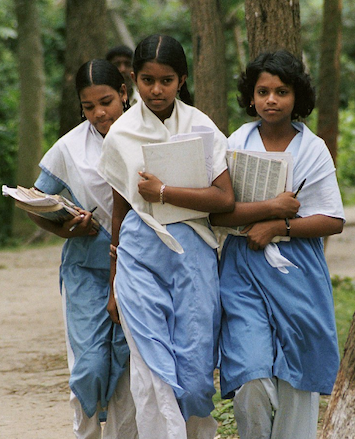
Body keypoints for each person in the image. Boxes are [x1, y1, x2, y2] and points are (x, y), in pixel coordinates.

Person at [97, 34, 235, 439]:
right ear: (133, 81)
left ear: (182, 80)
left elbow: (224, 198)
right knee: (151, 372)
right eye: (147, 80)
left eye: (167, 80)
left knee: (194, 380)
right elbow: (120, 208)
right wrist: (112, 283)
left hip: (192, 252)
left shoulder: (200, 125)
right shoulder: (121, 133)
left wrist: (164, 192)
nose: (156, 90)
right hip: (138, 255)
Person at [210, 50, 345, 439]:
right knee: (250, 374)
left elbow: (332, 219)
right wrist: (264, 213)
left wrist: (278, 226)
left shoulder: (312, 149)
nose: (271, 99)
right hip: (241, 267)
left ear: (296, 97)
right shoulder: (235, 142)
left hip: (298, 270)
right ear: (250, 97)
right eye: (263, 91)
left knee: (297, 378)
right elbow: (219, 213)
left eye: (281, 91)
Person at [26, 59, 137, 439]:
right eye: (88, 107)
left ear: (124, 93)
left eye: (106, 101)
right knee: (89, 365)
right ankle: (86, 432)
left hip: (137, 266)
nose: (99, 113)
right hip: (85, 268)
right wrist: (65, 230)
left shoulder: (148, 136)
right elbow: (36, 201)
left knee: (128, 364)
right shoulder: (69, 148)